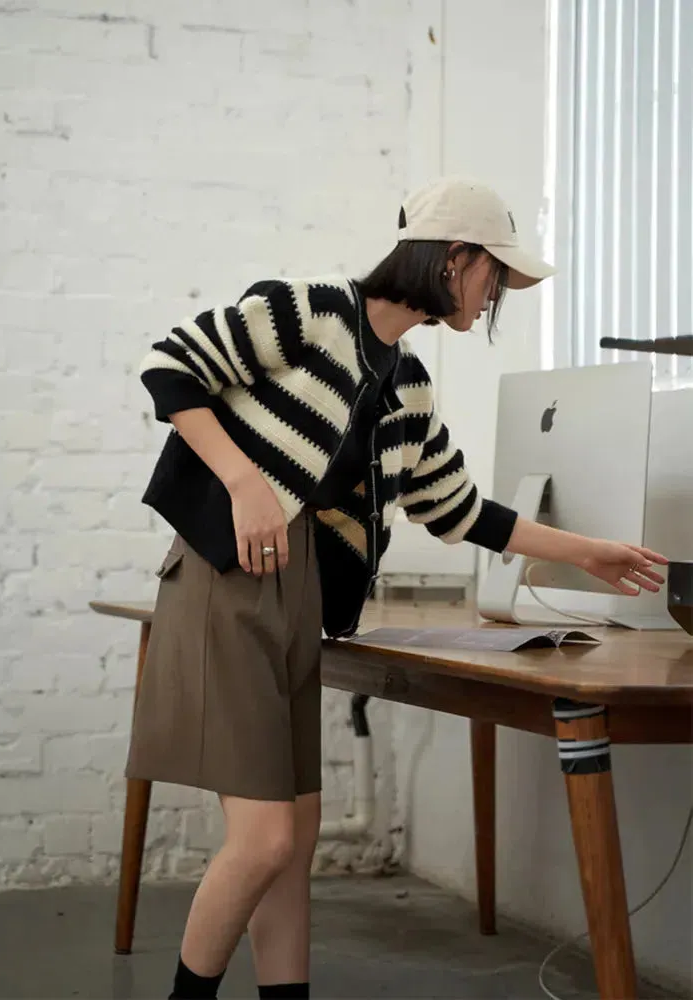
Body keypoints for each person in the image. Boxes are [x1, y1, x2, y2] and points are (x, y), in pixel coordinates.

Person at [125, 177, 667, 1000]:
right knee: (266, 839)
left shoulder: (406, 386)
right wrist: (244, 483)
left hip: (302, 598)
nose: (493, 299)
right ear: (454, 259)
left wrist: (587, 551)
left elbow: (459, 510)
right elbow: (170, 367)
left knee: (295, 836)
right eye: (494, 277)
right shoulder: (306, 311)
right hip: (228, 582)